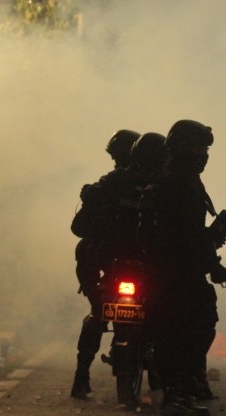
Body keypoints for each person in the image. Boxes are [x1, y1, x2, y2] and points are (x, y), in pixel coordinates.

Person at [150, 119, 226, 416]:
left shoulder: (180, 179)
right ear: (183, 149)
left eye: (205, 149)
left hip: (176, 268)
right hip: (175, 270)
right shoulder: (177, 183)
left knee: (193, 326)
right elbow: (187, 235)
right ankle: (175, 392)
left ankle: (181, 388)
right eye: (198, 148)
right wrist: (211, 262)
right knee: (182, 331)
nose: (204, 155)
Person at [70, 129, 140, 400]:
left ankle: (81, 374)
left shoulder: (110, 184)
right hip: (121, 262)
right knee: (98, 310)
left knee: (97, 314)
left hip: (123, 262)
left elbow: (81, 227)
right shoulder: (154, 181)